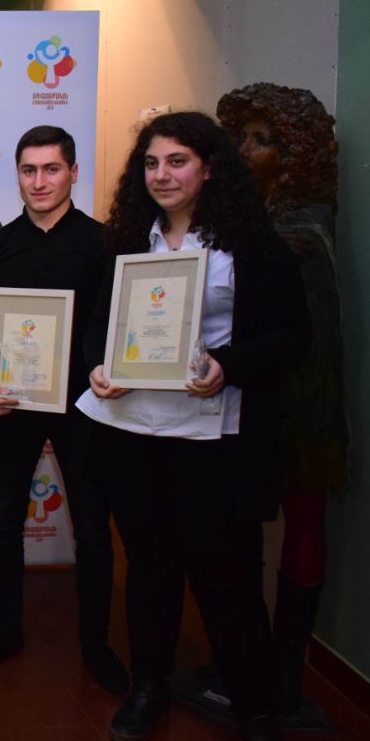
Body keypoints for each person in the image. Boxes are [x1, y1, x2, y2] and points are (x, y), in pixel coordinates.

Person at [79, 111, 309, 741]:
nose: (161, 175)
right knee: (148, 567)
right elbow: (100, 326)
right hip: (133, 430)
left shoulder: (253, 246)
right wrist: (98, 368)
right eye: (151, 163)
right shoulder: (129, 241)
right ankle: (148, 688)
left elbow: (293, 337)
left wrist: (228, 365)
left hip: (213, 435)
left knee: (226, 575)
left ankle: (255, 706)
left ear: (209, 168)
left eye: (177, 161)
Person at [0, 126, 126, 692]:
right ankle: (6, 631)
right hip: (10, 406)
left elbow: (124, 325)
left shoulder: (103, 244)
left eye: (51, 169)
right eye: (28, 170)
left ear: (73, 173)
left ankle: (96, 645)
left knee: (92, 529)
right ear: (17, 176)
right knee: (4, 526)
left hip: (85, 408)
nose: (39, 181)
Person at [215, 84, 346, 725]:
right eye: (242, 137)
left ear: (295, 155)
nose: (246, 150)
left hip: (305, 401)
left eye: (263, 140)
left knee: (302, 519)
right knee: (241, 524)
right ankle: (251, 658)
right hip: (251, 392)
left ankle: (289, 667)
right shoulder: (248, 218)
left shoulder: (303, 229)